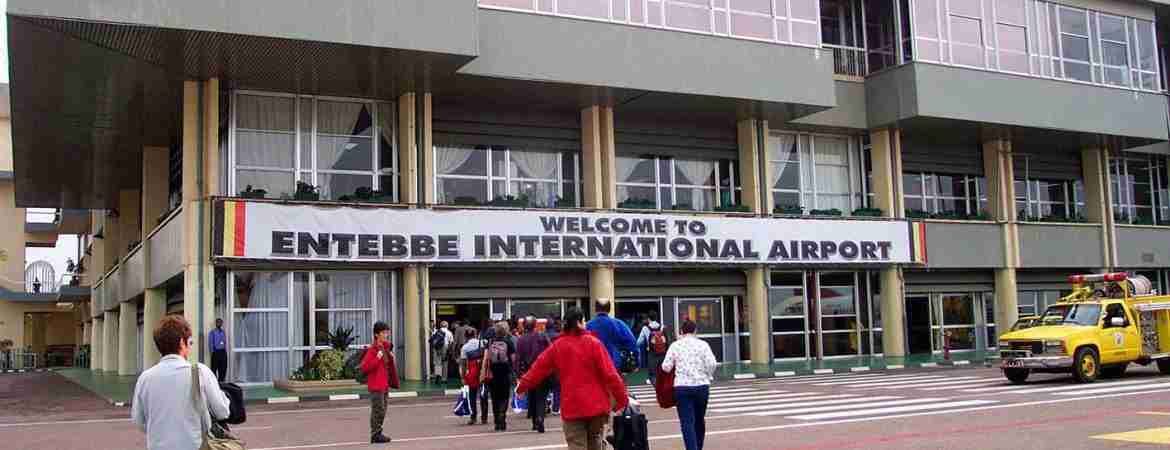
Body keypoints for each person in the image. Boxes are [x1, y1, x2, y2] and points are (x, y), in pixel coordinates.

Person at [518, 307, 628, 450]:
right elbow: (611, 375)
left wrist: (521, 387)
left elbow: (538, 369)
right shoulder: (594, 344)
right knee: (595, 442)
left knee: (576, 445)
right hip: (597, 408)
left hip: (572, 408)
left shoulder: (558, 346)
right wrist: (622, 400)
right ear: (580, 322)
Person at [131, 315, 231, 450]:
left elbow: (138, 420)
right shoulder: (200, 372)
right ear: (181, 343)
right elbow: (222, 411)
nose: (190, 347)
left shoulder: (145, 378)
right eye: (189, 342)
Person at [661, 320, 717, 450]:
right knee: (699, 420)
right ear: (695, 331)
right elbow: (712, 364)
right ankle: (699, 446)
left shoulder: (675, 345)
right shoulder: (703, 345)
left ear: (681, 331)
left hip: (682, 388)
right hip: (702, 386)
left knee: (687, 422)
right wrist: (707, 375)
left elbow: (666, 367)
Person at [360, 321, 398, 444]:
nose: (386, 334)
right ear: (377, 334)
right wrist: (377, 357)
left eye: (387, 332)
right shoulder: (373, 349)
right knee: (378, 409)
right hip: (376, 384)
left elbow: (388, 366)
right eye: (383, 332)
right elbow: (365, 367)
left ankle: (378, 432)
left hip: (384, 384)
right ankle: (375, 434)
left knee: (383, 409)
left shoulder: (386, 348)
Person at [516, 315, 552, 433]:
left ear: (524, 326)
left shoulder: (521, 340)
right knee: (541, 396)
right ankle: (540, 417)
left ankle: (534, 421)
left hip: (528, 370)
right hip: (542, 369)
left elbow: (518, 358)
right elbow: (551, 350)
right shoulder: (542, 336)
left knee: (532, 394)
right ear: (535, 325)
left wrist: (518, 373)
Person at [586, 298, 637, 372]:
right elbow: (632, 343)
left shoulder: (588, 326)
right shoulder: (619, 324)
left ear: (595, 309)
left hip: (594, 366)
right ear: (609, 309)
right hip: (614, 365)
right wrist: (636, 362)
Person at [484, 321, 516, 431]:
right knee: (505, 396)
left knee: (494, 398)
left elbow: (487, 358)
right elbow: (513, 359)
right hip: (505, 372)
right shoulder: (509, 342)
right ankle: (502, 415)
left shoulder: (491, 342)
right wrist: (514, 371)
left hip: (493, 373)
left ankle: (497, 421)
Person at [458, 328, 488, 425]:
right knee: (483, 395)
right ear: (475, 334)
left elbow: (463, 364)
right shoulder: (483, 342)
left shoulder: (465, 347)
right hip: (482, 372)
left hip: (471, 373)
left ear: (466, 336)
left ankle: (473, 417)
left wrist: (462, 377)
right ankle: (484, 418)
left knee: (472, 396)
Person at [635, 313, 661, 382]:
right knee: (660, 370)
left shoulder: (645, 328)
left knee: (652, 372)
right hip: (662, 352)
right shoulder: (661, 327)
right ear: (656, 318)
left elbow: (639, 342)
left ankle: (652, 381)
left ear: (648, 319)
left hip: (652, 352)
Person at [644, 321, 669, 385]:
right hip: (663, 353)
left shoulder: (652, 334)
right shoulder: (663, 333)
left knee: (652, 369)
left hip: (654, 354)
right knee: (662, 368)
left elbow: (651, 345)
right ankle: (663, 381)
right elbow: (667, 343)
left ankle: (653, 381)